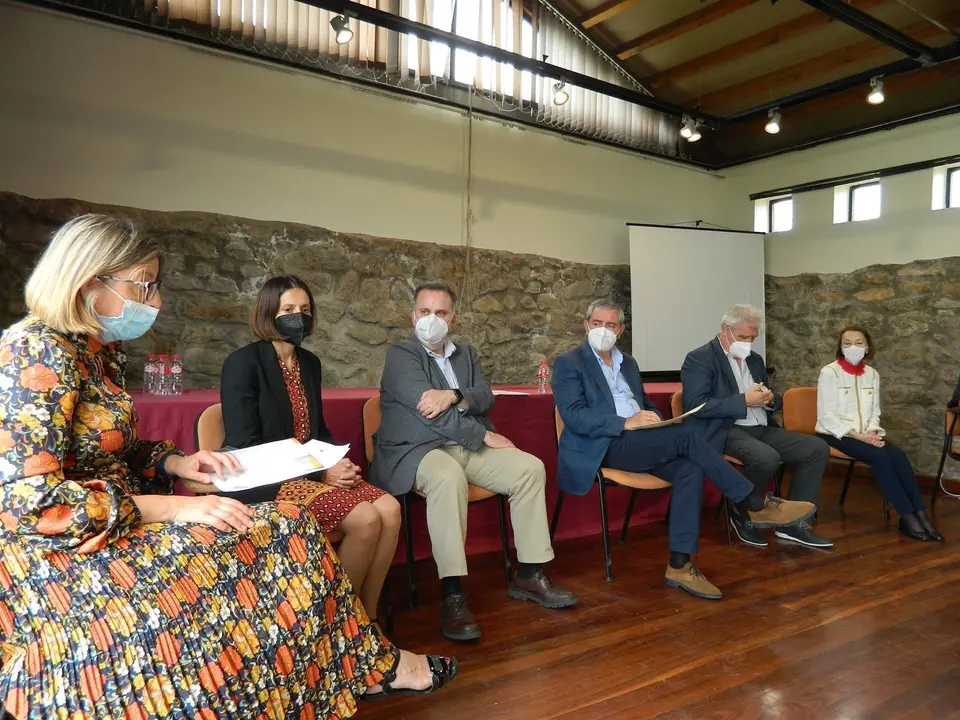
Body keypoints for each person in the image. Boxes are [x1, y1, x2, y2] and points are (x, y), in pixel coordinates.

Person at [0, 215, 456, 720]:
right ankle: (348, 658)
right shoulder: (33, 352)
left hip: (126, 514)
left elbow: (116, 450)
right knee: (283, 529)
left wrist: (175, 460)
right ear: (88, 283)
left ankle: (352, 654)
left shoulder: (98, 354)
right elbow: (30, 504)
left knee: (293, 530)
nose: (155, 304)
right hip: (68, 544)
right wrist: (172, 508)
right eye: (145, 287)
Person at [552, 300, 817, 600]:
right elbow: (573, 415)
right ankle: (752, 503)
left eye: (611, 325)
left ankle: (680, 564)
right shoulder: (569, 362)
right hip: (604, 444)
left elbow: (644, 403)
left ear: (621, 330)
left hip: (642, 439)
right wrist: (625, 423)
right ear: (586, 325)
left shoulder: (629, 362)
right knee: (687, 437)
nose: (603, 330)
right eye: (597, 323)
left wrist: (655, 420)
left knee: (689, 468)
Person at [371, 282, 577, 641]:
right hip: (417, 449)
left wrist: (452, 394)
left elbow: (485, 398)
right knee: (448, 475)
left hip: (463, 447)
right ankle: (452, 593)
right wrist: (482, 435)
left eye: (440, 313)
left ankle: (529, 573)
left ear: (454, 318)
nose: (431, 320)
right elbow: (426, 412)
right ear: (412, 315)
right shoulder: (401, 354)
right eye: (424, 312)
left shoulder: (466, 353)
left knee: (530, 468)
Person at [218, 275, 401, 626]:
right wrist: (320, 472)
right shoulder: (242, 364)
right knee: (365, 518)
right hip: (269, 481)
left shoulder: (310, 363)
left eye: (304, 310)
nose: (297, 317)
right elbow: (247, 446)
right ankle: (337, 622)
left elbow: (316, 430)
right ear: (268, 312)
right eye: (288, 309)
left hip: (313, 472)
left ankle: (368, 615)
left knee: (390, 509)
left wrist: (337, 461)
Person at [681, 304, 833, 550]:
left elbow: (773, 396)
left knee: (816, 448)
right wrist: (743, 401)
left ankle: (792, 523)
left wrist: (771, 399)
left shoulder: (754, 359)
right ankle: (743, 511)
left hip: (760, 425)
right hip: (724, 429)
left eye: (752, 338)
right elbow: (696, 405)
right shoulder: (700, 358)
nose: (748, 343)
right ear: (725, 330)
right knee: (765, 457)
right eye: (742, 337)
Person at [816, 325, 943, 542]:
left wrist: (873, 431)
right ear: (840, 347)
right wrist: (858, 435)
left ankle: (920, 515)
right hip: (836, 434)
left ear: (867, 347)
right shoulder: (830, 372)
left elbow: (874, 410)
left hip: (867, 434)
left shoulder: (872, 374)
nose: (852, 347)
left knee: (899, 456)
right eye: (847, 343)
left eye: (858, 343)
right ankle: (907, 516)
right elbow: (826, 415)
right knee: (881, 456)